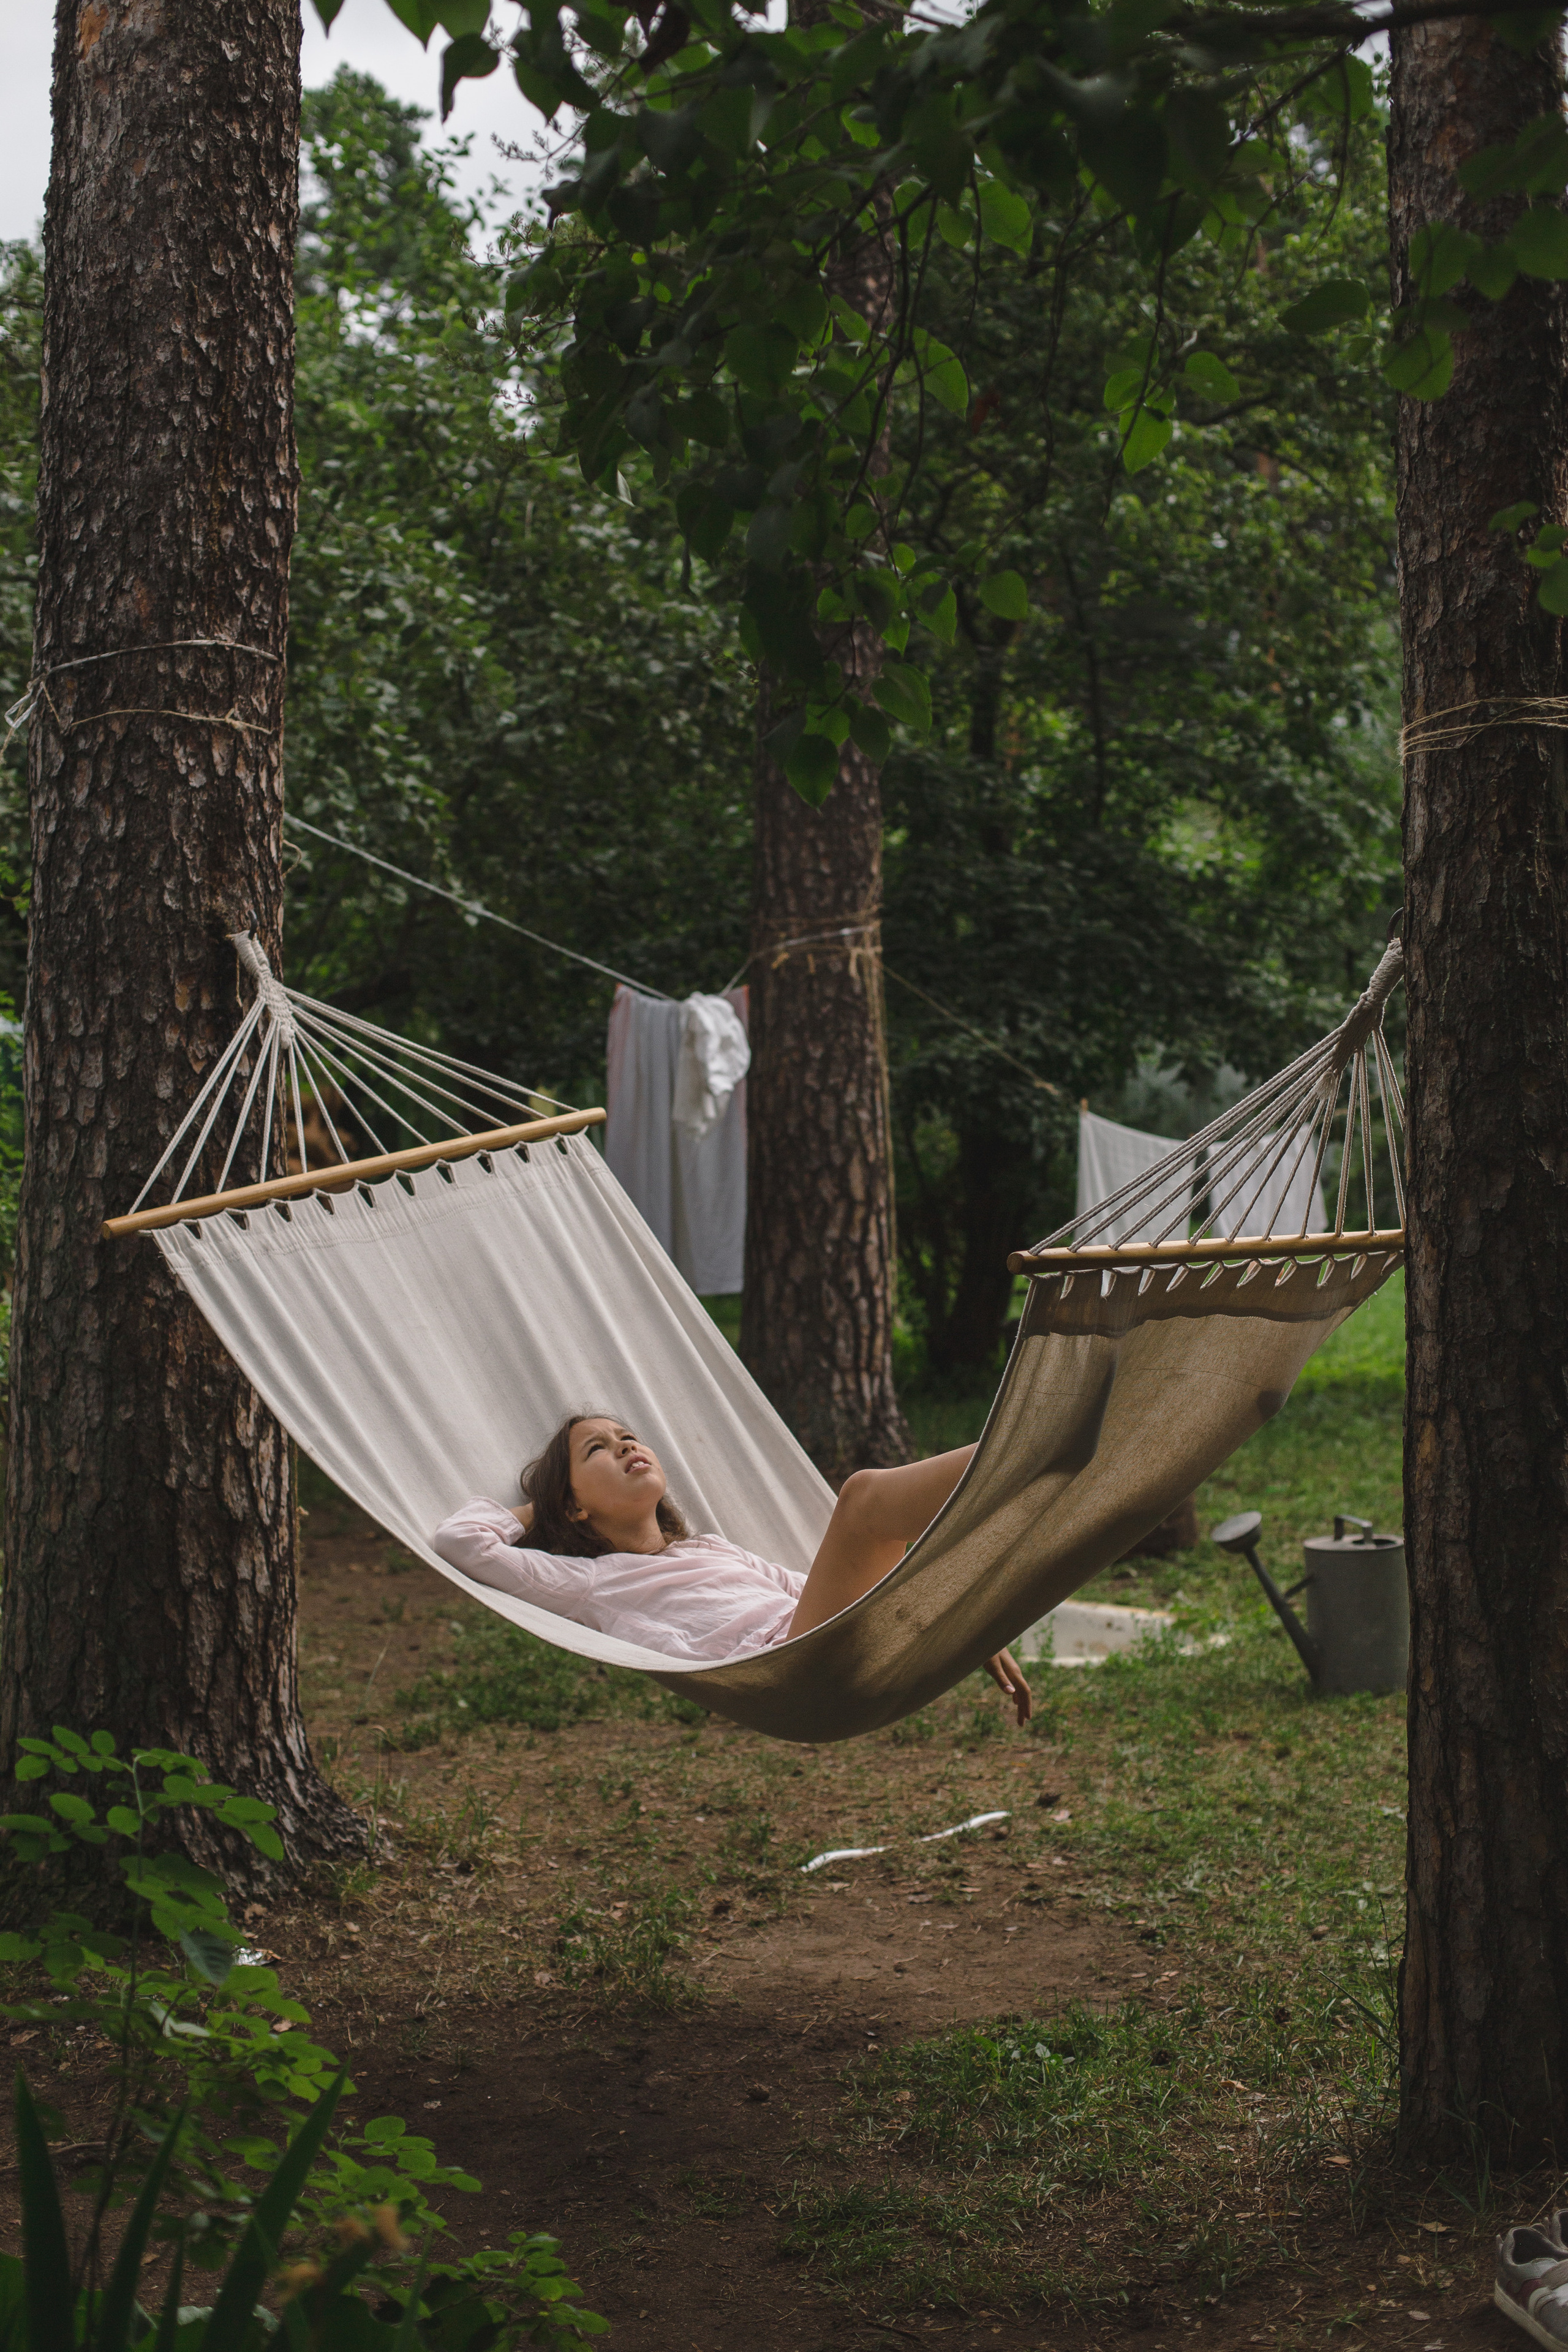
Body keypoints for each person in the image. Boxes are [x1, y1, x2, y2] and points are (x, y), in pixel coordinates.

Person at [432, 1413, 1032, 1722]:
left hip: (824, 1637)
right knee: (862, 1502)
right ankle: (1031, 1445)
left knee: (867, 1508)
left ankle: (1033, 1452)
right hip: (787, 1668)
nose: (624, 1446)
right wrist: (547, 1505)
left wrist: (954, 1619)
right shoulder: (594, 1584)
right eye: (598, 1450)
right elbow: (463, 1541)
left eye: (627, 1436)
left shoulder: (710, 1549)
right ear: (574, 1503)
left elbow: (812, 1593)